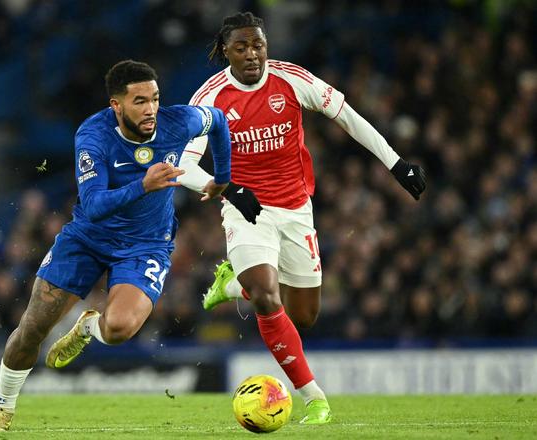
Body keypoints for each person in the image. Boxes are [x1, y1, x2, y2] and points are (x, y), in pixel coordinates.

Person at [178, 12, 426, 425]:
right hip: (245, 209)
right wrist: (230, 190)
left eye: (258, 45)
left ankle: (235, 284)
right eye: (241, 47)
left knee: (304, 315)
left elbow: (347, 116)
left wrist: (397, 164)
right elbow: (182, 165)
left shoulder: (291, 79)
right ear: (225, 51)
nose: (252, 54)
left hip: (295, 209)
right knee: (266, 296)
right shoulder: (210, 98)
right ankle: (314, 398)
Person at [0, 59, 237, 432]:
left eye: (155, 98)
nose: (151, 109)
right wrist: (143, 185)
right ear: (116, 105)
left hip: (145, 245)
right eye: (139, 101)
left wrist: (223, 177)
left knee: (119, 329)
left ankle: (87, 328)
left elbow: (219, 120)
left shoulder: (178, 121)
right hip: (88, 238)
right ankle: (2, 408)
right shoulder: (94, 135)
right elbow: (95, 204)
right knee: (33, 327)